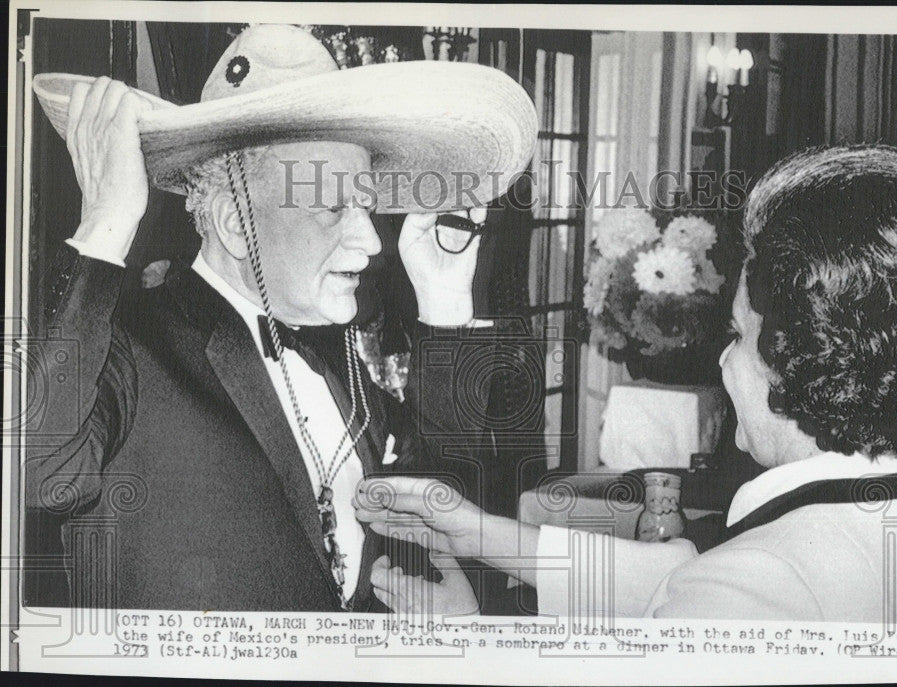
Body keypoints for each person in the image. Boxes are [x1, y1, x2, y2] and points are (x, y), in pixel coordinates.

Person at [355, 145, 897, 623]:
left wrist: (465, 633)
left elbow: (717, 588)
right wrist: (476, 532)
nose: (722, 362)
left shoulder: (754, 581)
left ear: (802, 357)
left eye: (739, 337)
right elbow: (671, 577)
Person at [26, 24, 536, 612]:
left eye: (367, 207)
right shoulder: (129, 350)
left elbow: (437, 512)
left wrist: (444, 305)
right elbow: (37, 471)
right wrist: (105, 225)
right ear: (235, 223)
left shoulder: (335, 367)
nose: (372, 241)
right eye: (332, 205)